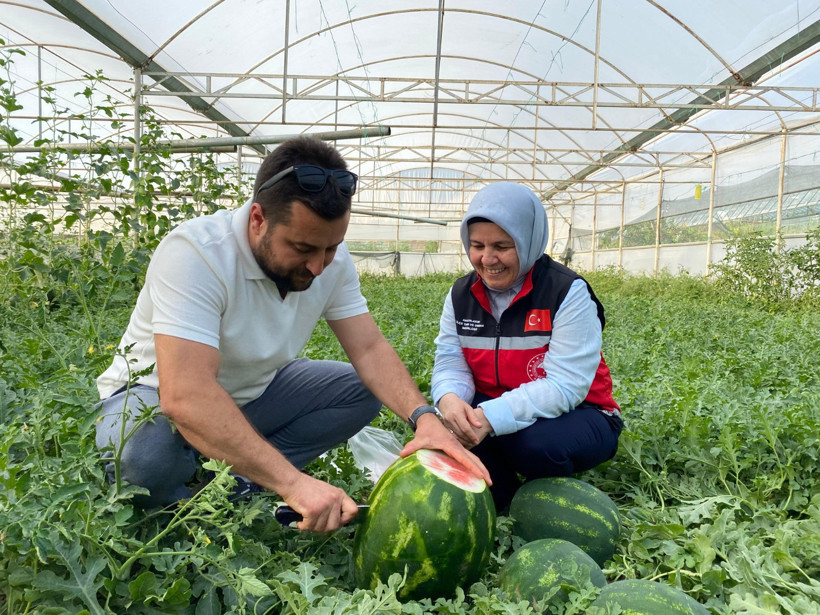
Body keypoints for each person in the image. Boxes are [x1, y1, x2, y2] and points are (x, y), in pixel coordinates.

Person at [95, 136, 489, 532]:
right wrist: (293, 483)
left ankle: (239, 482)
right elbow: (185, 394)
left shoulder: (329, 258)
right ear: (258, 219)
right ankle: (186, 507)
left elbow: (369, 348)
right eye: (302, 248)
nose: (318, 266)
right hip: (151, 399)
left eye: (331, 248)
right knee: (141, 457)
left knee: (360, 390)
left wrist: (424, 417)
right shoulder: (197, 253)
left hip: (253, 394)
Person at [431, 182, 622, 511]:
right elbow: (451, 361)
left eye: (502, 246)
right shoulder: (461, 295)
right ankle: (503, 499)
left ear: (528, 239)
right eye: (477, 245)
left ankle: (543, 501)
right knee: (447, 430)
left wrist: (489, 417)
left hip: (583, 413)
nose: (487, 258)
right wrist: (449, 401)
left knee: (535, 444)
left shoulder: (566, 292)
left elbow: (565, 386)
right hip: (492, 406)